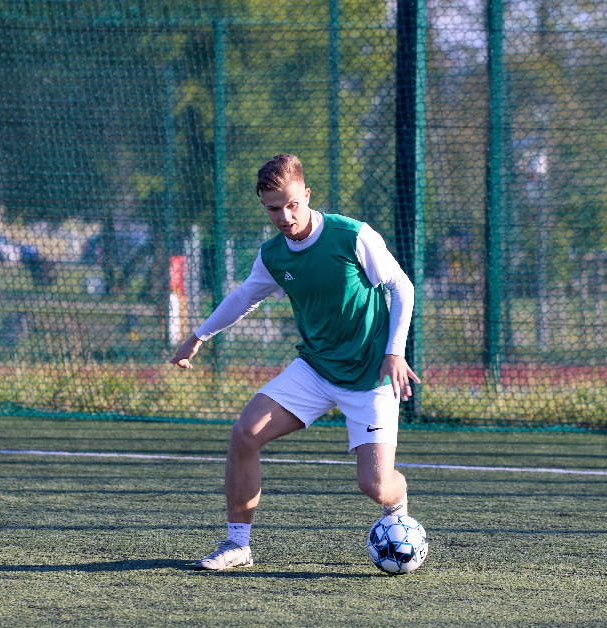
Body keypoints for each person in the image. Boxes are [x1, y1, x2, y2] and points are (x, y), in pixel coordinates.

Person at [169, 154, 420, 570]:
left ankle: (398, 506)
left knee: (376, 486)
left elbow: (402, 287)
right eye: (273, 209)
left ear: (306, 195)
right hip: (316, 369)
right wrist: (198, 336)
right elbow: (244, 297)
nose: (285, 217)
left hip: (371, 374)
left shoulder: (351, 235)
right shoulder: (273, 256)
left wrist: (395, 351)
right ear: (263, 205)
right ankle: (238, 545)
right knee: (245, 434)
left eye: (292, 205)